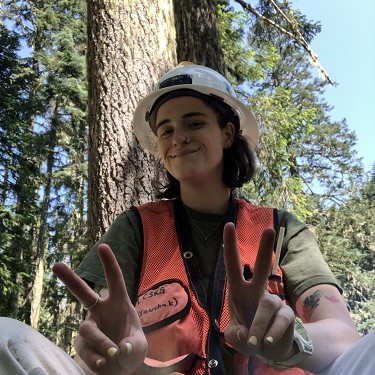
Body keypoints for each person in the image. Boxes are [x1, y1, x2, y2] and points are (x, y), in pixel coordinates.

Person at [0, 62, 374, 375]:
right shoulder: (135, 228)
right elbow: (102, 334)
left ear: (228, 133)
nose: (178, 137)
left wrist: (292, 340)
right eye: (166, 130)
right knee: (7, 337)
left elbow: (344, 335)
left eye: (194, 123)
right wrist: (113, 356)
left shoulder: (281, 229)